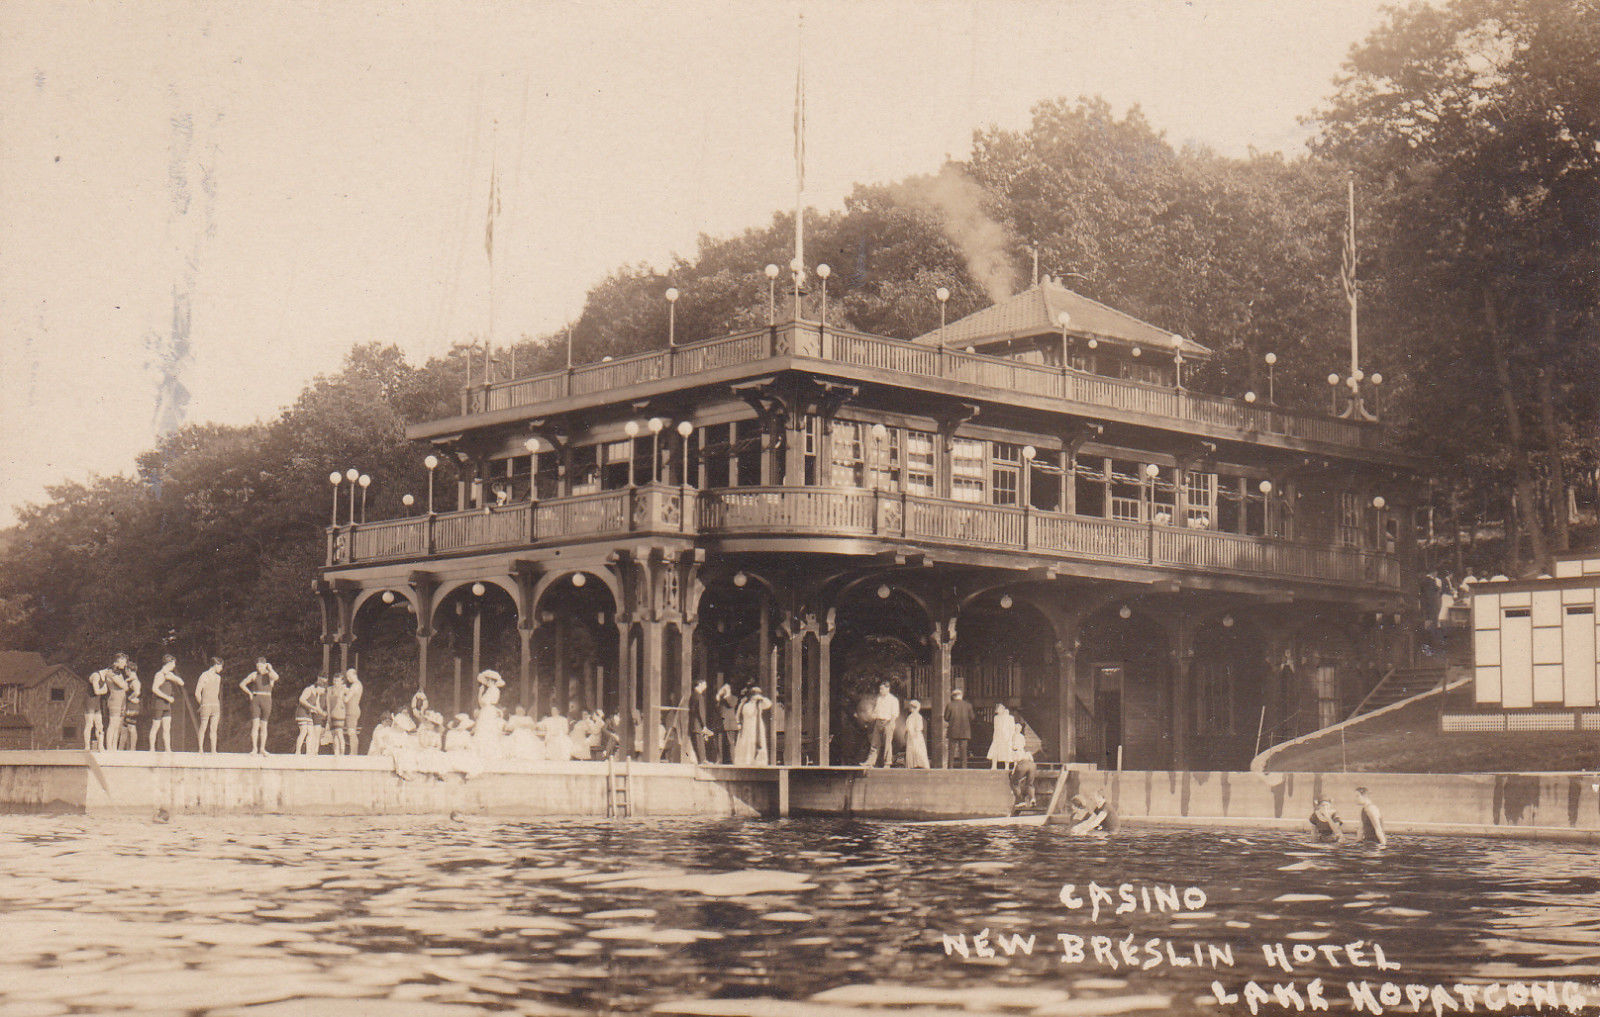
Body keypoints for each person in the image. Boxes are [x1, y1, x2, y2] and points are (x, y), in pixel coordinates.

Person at [239, 658, 279, 755]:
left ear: (265, 665)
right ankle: (254, 749)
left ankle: (262, 748)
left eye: (261, 666)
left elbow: (276, 677)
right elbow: (242, 684)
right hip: (256, 699)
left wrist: (270, 668)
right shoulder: (254, 674)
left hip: (267, 699)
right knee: (255, 725)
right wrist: (249, 693)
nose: (259, 668)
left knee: (264, 725)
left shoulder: (269, 674)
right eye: (257, 666)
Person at [147, 655, 184, 752]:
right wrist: (167, 697)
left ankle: (168, 749)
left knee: (167, 727)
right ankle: (152, 749)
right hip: (159, 703)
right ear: (169, 663)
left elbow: (181, 683)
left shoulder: (170, 674)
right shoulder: (159, 675)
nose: (174, 666)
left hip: (167, 705)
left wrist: (172, 678)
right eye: (173, 664)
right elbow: (154, 689)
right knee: (156, 726)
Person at [861, 681, 899, 768]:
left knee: (887, 743)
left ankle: (887, 763)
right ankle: (870, 762)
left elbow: (895, 714)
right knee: (875, 742)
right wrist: (870, 718)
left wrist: (891, 724)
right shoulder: (879, 699)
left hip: (888, 722)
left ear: (887, 689)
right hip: (878, 722)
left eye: (882, 689)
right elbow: (876, 711)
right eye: (880, 689)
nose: (880, 690)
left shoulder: (893, 700)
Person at [733, 685, 772, 766]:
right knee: (748, 742)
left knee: (757, 742)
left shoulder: (759, 704)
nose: (755, 697)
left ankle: (758, 761)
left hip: (757, 726)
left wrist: (761, 699)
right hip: (748, 726)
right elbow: (742, 714)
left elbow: (768, 704)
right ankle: (747, 761)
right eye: (754, 695)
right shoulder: (745, 704)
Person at [84, 657, 115, 751]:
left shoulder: (104, 678)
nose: (112, 677)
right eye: (112, 674)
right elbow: (97, 691)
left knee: (99, 725)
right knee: (89, 724)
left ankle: (101, 746)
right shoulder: (96, 676)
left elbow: (103, 691)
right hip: (90, 702)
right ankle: (87, 746)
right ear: (108, 670)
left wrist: (103, 690)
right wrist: (103, 690)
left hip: (97, 703)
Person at [102, 653, 132, 751]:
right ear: (117, 661)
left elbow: (126, 687)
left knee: (118, 725)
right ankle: (109, 747)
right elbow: (123, 685)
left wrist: (124, 684)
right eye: (123, 661)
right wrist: (124, 684)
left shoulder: (118, 673)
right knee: (113, 724)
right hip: (114, 700)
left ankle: (114, 747)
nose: (125, 664)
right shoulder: (111, 672)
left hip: (121, 700)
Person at [193, 657, 223, 753]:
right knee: (203, 727)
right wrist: (201, 704)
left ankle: (213, 750)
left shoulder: (218, 678)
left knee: (213, 729)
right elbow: (197, 692)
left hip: (215, 705)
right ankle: (200, 749)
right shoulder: (204, 675)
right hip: (206, 705)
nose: (221, 669)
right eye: (221, 666)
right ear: (216, 665)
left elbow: (216, 692)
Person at [295, 676, 330, 755]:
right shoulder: (309, 690)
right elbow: (301, 699)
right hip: (302, 713)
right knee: (304, 731)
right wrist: (311, 707)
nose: (322, 693)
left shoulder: (317, 694)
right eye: (322, 691)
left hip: (308, 714)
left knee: (311, 732)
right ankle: (297, 751)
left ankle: (308, 752)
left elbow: (317, 707)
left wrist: (323, 713)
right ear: (318, 687)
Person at [944, 688, 974, 769]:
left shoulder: (950, 705)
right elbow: (972, 717)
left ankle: (950, 767)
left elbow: (946, 718)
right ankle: (964, 767)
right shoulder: (968, 705)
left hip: (953, 730)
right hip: (965, 731)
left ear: (953, 696)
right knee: (963, 750)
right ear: (961, 696)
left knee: (951, 750)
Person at [688, 678, 711, 765]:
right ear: (700, 684)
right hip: (698, 725)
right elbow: (701, 712)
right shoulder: (699, 696)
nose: (705, 686)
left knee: (697, 743)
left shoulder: (693, 695)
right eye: (704, 684)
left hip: (693, 724)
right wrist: (704, 725)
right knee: (700, 743)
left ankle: (701, 760)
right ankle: (702, 761)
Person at [716, 682, 739, 764]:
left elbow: (731, 704)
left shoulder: (734, 698)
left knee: (730, 744)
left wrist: (727, 694)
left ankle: (733, 761)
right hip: (721, 724)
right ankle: (719, 760)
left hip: (730, 725)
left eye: (726, 689)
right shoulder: (721, 699)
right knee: (719, 744)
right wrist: (719, 694)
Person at [903, 699, 930, 769]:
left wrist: (914, 733)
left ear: (914, 707)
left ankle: (919, 763)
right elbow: (907, 727)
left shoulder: (918, 716)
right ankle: (913, 764)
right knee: (912, 749)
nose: (910, 708)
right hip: (910, 735)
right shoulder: (910, 717)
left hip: (916, 735)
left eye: (911, 707)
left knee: (917, 749)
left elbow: (919, 727)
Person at [987, 703, 1016, 769]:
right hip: (998, 737)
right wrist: (994, 737)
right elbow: (995, 728)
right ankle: (994, 766)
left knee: (1007, 750)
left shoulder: (1010, 718)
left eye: (999, 709)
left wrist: (1011, 738)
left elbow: (1012, 728)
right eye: (997, 710)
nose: (998, 711)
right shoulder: (996, 718)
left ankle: (1007, 766)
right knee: (995, 750)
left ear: (1003, 709)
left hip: (1007, 737)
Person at [341, 668, 363, 754]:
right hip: (354, 709)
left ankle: (353, 753)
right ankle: (353, 752)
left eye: (348, 676)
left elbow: (346, 699)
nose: (348, 678)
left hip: (352, 710)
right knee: (352, 731)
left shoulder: (355, 685)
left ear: (354, 675)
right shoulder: (358, 685)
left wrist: (341, 693)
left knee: (351, 732)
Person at [327, 672, 349, 756]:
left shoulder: (344, 689)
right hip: (332, 713)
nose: (336, 682)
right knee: (334, 735)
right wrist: (328, 714)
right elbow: (328, 703)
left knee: (339, 733)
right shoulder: (330, 689)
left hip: (340, 713)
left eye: (338, 681)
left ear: (342, 681)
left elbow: (350, 698)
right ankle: (336, 753)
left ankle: (342, 752)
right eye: (334, 680)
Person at [120, 667, 141, 749]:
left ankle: (133, 748)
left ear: (129, 670)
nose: (125, 672)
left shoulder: (135, 681)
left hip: (133, 705)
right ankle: (120, 749)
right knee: (124, 727)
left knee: (131, 727)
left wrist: (130, 697)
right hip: (129, 705)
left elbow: (137, 692)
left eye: (126, 671)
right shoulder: (130, 680)